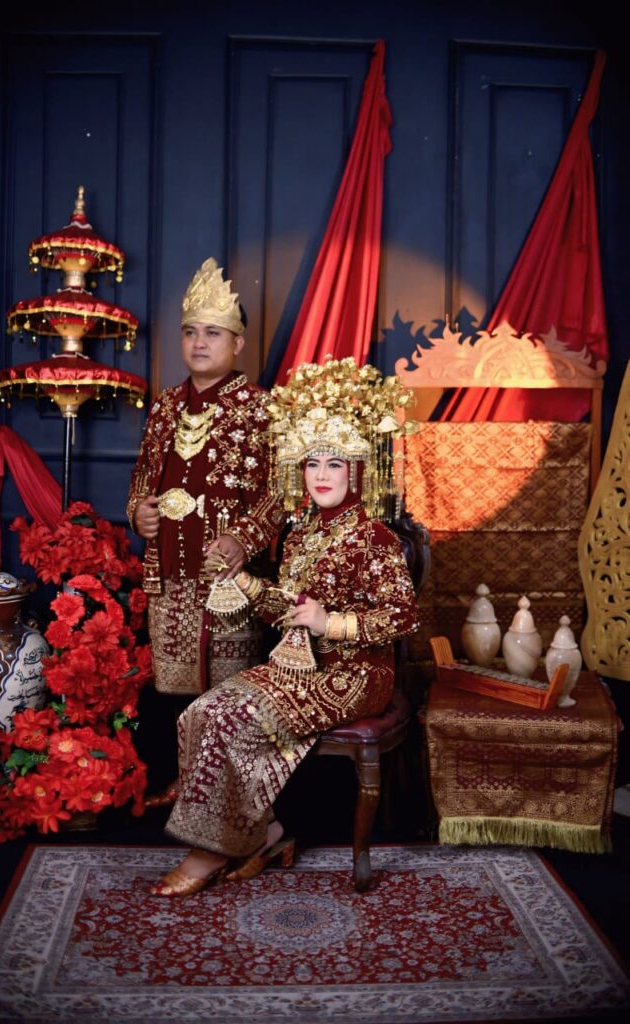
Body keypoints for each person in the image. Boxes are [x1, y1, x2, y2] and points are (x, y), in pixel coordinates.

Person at [151, 356, 420, 896]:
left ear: (357, 471)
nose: (321, 475)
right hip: (299, 666)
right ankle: (266, 832)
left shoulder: (374, 538)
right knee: (204, 710)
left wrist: (331, 622)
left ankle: (211, 851)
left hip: (354, 676)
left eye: (334, 464)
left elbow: (403, 616)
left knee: (234, 718)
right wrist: (246, 584)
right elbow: (286, 610)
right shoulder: (300, 534)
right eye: (312, 463)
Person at [127, 258, 286, 802]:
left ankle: (226, 793)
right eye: (190, 332)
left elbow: (283, 491)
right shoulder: (165, 407)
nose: (199, 343)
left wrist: (244, 538)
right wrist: (139, 512)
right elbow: (141, 479)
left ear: (237, 343)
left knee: (228, 688)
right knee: (176, 686)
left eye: (212, 333)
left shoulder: (262, 408)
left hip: (228, 580)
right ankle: (189, 782)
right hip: (169, 574)